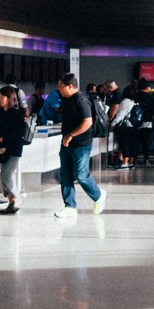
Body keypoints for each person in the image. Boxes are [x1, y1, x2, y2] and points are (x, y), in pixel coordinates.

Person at [53, 73, 105, 218]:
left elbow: (87, 122)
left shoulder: (81, 100)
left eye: (61, 87)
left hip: (81, 144)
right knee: (65, 175)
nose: (59, 90)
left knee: (81, 174)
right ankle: (70, 206)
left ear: (70, 86)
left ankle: (98, 195)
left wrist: (71, 135)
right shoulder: (66, 99)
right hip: (67, 144)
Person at [0, 85, 30, 214]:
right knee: (4, 175)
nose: (0, 99)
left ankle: (16, 198)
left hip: (13, 148)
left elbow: (17, 133)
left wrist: (4, 138)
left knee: (6, 174)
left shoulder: (16, 113)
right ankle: (12, 202)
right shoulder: (2, 112)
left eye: (2, 97)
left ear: (9, 98)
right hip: (2, 148)